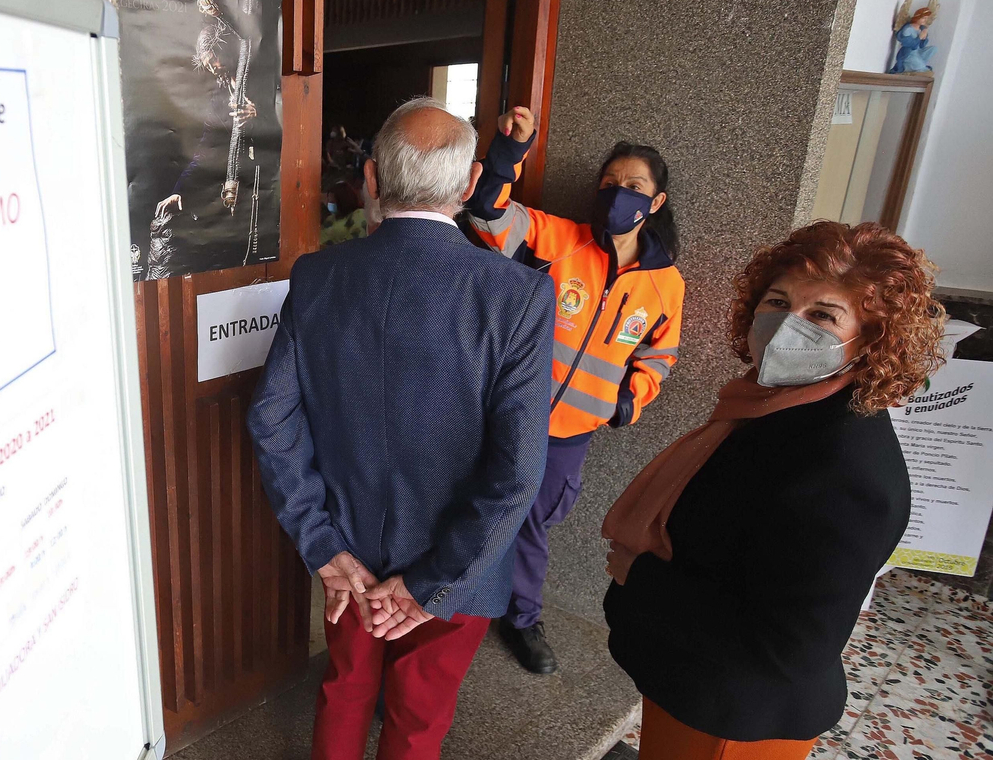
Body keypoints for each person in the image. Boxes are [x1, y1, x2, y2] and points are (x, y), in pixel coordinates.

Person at [249, 97, 555, 760]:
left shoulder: (317, 275)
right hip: (459, 565)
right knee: (419, 719)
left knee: (346, 687)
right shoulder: (518, 295)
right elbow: (519, 472)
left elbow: (271, 419)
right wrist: (432, 585)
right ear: (472, 184)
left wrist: (321, 542)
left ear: (371, 179)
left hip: (350, 555)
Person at [602, 221, 943, 760]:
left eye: (823, 315)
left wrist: (637, 578)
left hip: (734, 716)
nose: (788, 326)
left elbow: (790, 650)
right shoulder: (775, 406)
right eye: (779, 301)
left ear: (872, 339)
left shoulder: (847, 470)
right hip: (693, 682)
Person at [463, 107, 685, 675]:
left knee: (533, 527)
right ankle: (453, 604)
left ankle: (521, 619)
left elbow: (658, 356)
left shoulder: (666, 285)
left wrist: (627, 402)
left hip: (569, 437)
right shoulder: (557, 238)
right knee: (472, 509)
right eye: (610, 184)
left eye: (633, 187)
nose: (619, 195)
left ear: (655, 203)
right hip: (506, 414)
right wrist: (512, 150)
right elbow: (486, 211)